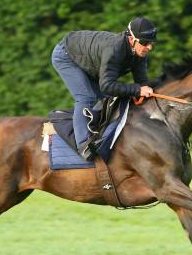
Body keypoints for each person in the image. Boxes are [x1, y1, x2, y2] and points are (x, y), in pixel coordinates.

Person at [51, 16, 158, 158]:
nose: (149, 47)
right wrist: (137, 90)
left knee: (107, 100)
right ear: (132, 39)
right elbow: (107, 85)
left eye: (151, 43)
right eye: (145, 43)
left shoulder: (140, 53)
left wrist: (146, 91)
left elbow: (142, 82)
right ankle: (83, 145)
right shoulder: (114, 49)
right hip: (66, 56)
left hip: (90, 61)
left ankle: (99, 137)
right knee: (86, 98)